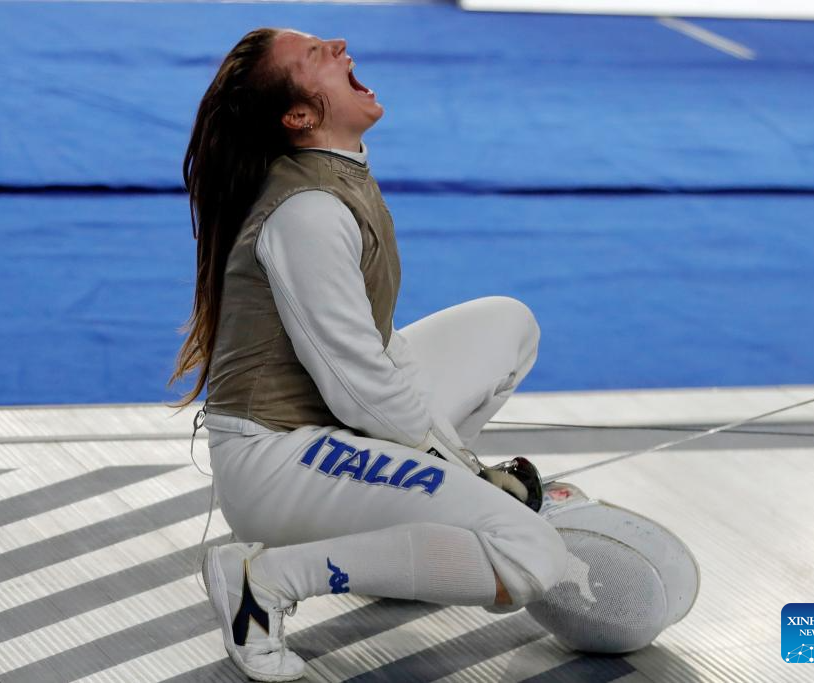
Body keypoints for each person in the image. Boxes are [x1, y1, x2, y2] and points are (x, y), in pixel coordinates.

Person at [169, 27, 566, 682]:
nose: (337, 43)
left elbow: (378, 349)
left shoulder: (339, 172)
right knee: (531, 555)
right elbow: (357, 386)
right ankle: (262, 579)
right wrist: (462, 469)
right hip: (278, 460)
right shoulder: (308, 211)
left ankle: (409, 535)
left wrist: (455, 465)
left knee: (508, 324)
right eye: (314, 55)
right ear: (299, 116)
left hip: (333, 426)